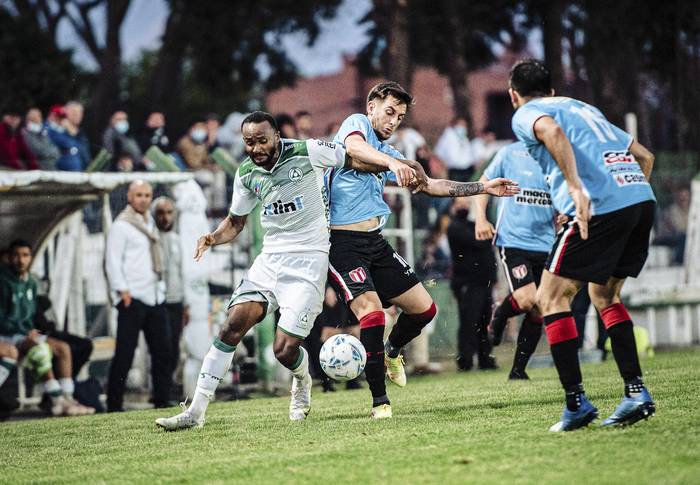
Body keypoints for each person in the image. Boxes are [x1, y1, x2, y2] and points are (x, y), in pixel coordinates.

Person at [155, 111, 411, 430]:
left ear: (277, 135)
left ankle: (302, 382)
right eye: (249, 142)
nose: (256, 148)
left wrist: (393, 166)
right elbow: (236, 222)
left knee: (284, 350)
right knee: (231, 326)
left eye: (262, 140)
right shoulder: (247, 172)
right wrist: (212, 237)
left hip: (309, 263)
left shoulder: (308, 151)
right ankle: (196, 412)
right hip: (270, 261)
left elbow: (353, 160)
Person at [327, 81, 519, 418]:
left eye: (399, 118)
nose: (392, 122)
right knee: (372, 315)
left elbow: (432, 185)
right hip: (343, 246)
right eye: (389, 112)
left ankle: (392, 351)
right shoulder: (356, 124)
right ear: (372, 106)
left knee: (425, 311)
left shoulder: (393, 155)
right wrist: (391, 164)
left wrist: (482, 186)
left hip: (375, 243)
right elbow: (353, 148)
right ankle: (379, 401)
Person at [509, 59, 657, 431]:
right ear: (553, 90)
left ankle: (576, 404)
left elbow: (551, 131)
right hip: (640, 199)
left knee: (551, 298)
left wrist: (575, 189)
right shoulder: (583, 107)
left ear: (514, 95)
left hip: (599, 207)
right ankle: (635, 393)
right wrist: (627, 196)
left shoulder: (528, 112)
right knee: (605, 296)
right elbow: (644, 157)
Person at [474, 141, 556, 380]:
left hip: (547, 243)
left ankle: (518, 370)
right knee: (528, 298)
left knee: (539, 308)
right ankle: (500, 314)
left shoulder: (557, 154)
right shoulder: (510, 153)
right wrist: (480, 218)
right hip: (514, 241)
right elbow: (483, 183)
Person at [0, 240, 94, 416]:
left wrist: (33, 330)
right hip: (7, 337)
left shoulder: (31, 282)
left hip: (23, 335)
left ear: (31, 258)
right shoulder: (3, 281)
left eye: (25, 255)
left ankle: (68, 398)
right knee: (40, 350)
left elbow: (29, 316)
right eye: (16, 255)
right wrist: (25, 331)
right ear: (9, 258)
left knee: (64, 348)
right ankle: (56, 401)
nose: (21, 260)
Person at [105, 181, 172, 412]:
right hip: (132, 297)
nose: (143, 199)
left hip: (154, 295)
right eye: (139, 195)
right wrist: (122, 291)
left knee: (162, 350)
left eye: (147, 195)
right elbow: (112, 261)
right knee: (125, 353)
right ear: (130, 198)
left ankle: (162, 399)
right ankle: (114, 404)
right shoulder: (121, 226)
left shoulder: (149, 221)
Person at [446, 198, 498, 371]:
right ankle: (465, 361)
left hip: (484, 282)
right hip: (468, 283)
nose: (463, 207)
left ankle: (486, 359)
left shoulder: (471, 225)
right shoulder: (454, 228)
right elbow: (480, 241)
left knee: (484, 322)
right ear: (453, 207)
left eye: (466, 204)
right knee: (469, 323)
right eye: (460, 204)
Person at [153, 197, 189, 383]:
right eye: (161, 213)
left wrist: (187, 304)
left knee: (174, 345)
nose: (165, 217)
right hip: (158, 301)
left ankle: (168, 387)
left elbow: (184, 272)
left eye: (168, 212)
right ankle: (161, 388)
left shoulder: (177, 241)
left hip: (176, 301)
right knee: (162, 346)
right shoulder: (150, 240)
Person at [48, 101, 91, 171]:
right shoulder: (56, 129)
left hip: (80, 172)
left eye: (80, 112)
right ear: (65, 112)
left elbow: (85, 155)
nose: (77, 115)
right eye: (74, 112)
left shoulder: (80, 133)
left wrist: (74, 133)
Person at [434, 117, 476, 182]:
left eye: (464, 125)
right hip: (455, 171)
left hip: (467, 170)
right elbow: (438, 153)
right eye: (461, 125)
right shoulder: (448, 136)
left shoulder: (464, 138)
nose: (463, 127)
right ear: (455, 125)